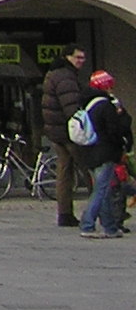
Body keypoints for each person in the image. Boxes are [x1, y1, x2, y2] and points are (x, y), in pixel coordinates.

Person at [42, 45, 94, 229]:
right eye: (77, 57)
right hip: (70, 133)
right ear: (67, 57)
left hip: (57, 133)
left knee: (64, 173)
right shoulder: (65, 76)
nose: (81, 61)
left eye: (83, 58)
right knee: (90, 169)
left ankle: (64, 213)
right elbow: (71, 107)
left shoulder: (53, 74)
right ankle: (103, 209)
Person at [77, 72, 132, 239]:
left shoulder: (88, 104)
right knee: (101, 190)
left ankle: (110, 227)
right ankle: (87, 224)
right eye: (109, 86)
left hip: (90, 152)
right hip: (105, 152)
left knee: (105, 190)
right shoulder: (105, 105)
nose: (111, 89)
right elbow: (114, 130)